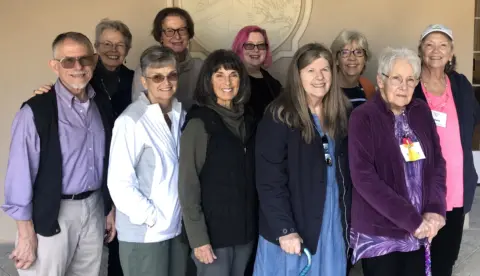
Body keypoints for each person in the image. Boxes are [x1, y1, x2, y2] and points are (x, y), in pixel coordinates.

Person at [1, 32, 115, 276]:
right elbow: (19, 176)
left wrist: (108, 208)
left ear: (94, 61)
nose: (78, 67)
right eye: (68, 61)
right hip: (53, 212)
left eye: (84, 59)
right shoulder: (36, 111)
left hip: (94, 207)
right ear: (55, 66)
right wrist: (25, 234)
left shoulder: (101, 105)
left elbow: (108, 161)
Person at [32, 18, 135, 276]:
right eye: (107, 43)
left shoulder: (135, 80)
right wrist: (44, 96)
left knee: (110, 249)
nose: (114, 49)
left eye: (120, 44)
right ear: (96, 49)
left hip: (121, 170)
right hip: (85, 184)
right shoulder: (82, 78)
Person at [253, 43, 352, 276]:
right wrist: (284, 229)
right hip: (293, 226)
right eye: (310, 71)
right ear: (298, 76)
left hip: (330, 222)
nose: (319, 77)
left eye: (325, 70)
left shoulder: (341, 114)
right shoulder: (279, 115)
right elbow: (269, 180)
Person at [348, 47, 447, 276]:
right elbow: (364, 178)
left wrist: (434, 209)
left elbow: (437, 164)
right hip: (381, 233)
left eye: (411, 80)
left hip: (420, 229)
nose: (404, 87)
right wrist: (411, 219)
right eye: (397, 79)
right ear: (381, 81)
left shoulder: (421, 111)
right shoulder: (363, 117)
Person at [107, 45, 188, 276]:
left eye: (172, 75)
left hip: (176, 229)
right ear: (144, 81)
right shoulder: (131, 121)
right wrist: (152, 218)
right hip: (145, 234)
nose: (166, 82)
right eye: (157, 77)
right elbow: (119, 183)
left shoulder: (179, 115)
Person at [178, 49, 256, 276]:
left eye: (233, 74)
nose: (227, 82)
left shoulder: (249, 121)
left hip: (244, 233)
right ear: (208, 81)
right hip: (212, 238)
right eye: (219, 75)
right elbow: (187, 186)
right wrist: (198, 239)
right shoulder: (199, 123)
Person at [413, 24, 480, 276]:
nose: (436, 51)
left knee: (446, 255)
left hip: (456, 183)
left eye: (443, 45)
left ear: (451, 52)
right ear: (421, 51)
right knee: (417, 252)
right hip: (420, 184)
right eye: (429, 44)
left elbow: (473, 116)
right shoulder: (411, 85)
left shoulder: (460, 84)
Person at [132, 7, 203, 109]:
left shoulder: (201, 67)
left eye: (182, 30)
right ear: (161, 36)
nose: (177, 37)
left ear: (189, 34)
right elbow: (140, 111)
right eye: (169, 31)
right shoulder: (145, 69)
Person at [231, 25, 282, 122]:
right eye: (249, 45)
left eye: (261, 45)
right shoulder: (231, 80)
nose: (256, 50)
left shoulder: (273, 82)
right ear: (239, 48)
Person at [330, 30, 376, 108]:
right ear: (336, 60)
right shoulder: (326, 88)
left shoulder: (368, 87)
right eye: (345, 52)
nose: (352, 58)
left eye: (358, 52)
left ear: (365, 59)